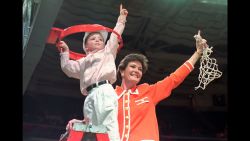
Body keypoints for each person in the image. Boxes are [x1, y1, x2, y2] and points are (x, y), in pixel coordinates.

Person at [67, 30, 208, 141]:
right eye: (133, 67)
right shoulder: (110, 94)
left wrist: (197, 54)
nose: (137, 71)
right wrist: (82, 122)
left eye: (140, 69)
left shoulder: (148, 91)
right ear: (121, 71)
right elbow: (96, 118)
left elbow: (174, 79)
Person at [57, 4, 128, 141]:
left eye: (101, 39)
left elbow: (114, 36)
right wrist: (65, 52)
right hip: (90, 95)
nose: (98, 40)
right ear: (86, 45)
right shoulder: (83, 62)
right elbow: (68, 69)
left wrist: (121, 19)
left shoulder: (108, 52)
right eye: (93, 38)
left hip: (104, 90)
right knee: (92, 129)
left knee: (109, 125)